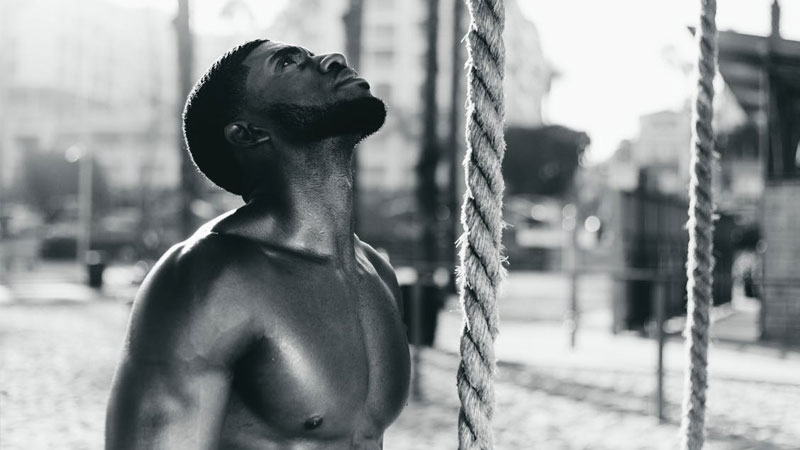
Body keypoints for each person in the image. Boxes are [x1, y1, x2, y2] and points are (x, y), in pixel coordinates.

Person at [106, 39, 411, 449]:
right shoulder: (209, 276)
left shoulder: (376, 272)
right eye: (288, 63)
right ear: (247, 132)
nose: (332, 59)